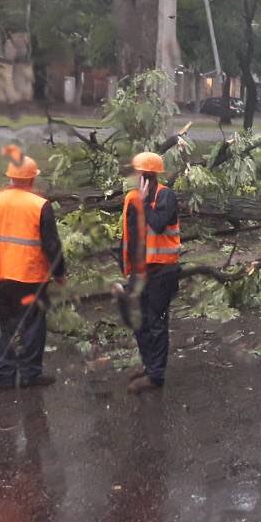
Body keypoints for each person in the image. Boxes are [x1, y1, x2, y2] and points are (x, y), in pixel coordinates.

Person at [0, 145, 66, 390]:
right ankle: (30, 375)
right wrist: (59, 273)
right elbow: (51, 243)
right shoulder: (39, 205)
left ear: (10, 177)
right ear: (33, 177)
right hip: (29, 276)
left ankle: (4, 376)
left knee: (6, 326)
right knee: (33, 326)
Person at [118, 151, 181, 394]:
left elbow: (157, 223)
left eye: (138, 173)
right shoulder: (131, 198)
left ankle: (156, 375)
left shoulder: (166, 196)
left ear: (149, 175)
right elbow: (129, 233)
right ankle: (148, 365)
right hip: (140, 271)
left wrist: (145, 202)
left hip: (162, 270)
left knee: (156, 322)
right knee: (140, 321)